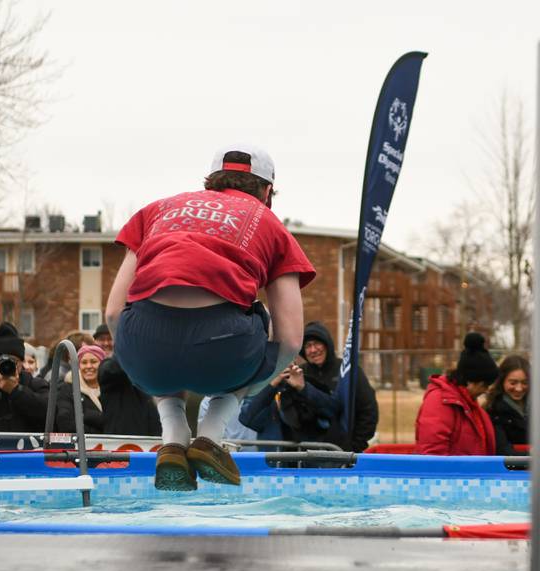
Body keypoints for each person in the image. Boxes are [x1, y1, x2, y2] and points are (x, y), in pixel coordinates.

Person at [106, 143, 315, 491]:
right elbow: (292, 339)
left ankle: (172, 434)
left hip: (143, 343)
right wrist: (250, 387)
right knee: (262, 321)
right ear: (267, 191)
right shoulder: (270, 223)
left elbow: (114, 311)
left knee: (155, 348)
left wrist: (136, 365)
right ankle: (211, 435)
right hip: (224, 349)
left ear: (210, 182)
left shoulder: (156, 210)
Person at [284, 322, 378, 452]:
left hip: (345, 451)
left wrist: (356, 445)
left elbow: (368, 409)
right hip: (308, 454)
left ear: (327, 344)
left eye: (317, 343)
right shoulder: (299, 374)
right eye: (308, 346)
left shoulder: (347, 371)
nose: (313, 350)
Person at [414, 332, 500, 456]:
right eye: (484, 385)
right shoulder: (440, 403)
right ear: (471, 381)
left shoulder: (467, 401)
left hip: (467, 474)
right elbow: (433, 454)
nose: (486, 390)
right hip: (454, 474)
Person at [99, 356, 161, 436]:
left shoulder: (150, 375)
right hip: (122, 443)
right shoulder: (109, 368)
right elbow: (109, 370)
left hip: (153, 441)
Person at [56, 344, 108, 433]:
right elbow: (66, 424)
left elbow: (118, 422)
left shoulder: (111, 388)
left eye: (93, 361)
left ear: (102, 364)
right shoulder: (68, 389)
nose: (88, 366)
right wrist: (99, 433)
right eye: (84, 362)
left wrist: (86, 415)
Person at [484, 355, 530, 456]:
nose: (519, 388)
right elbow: (502, 450)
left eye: (524, 383)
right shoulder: (493, 411)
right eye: (513, 383)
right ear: (502, 381)